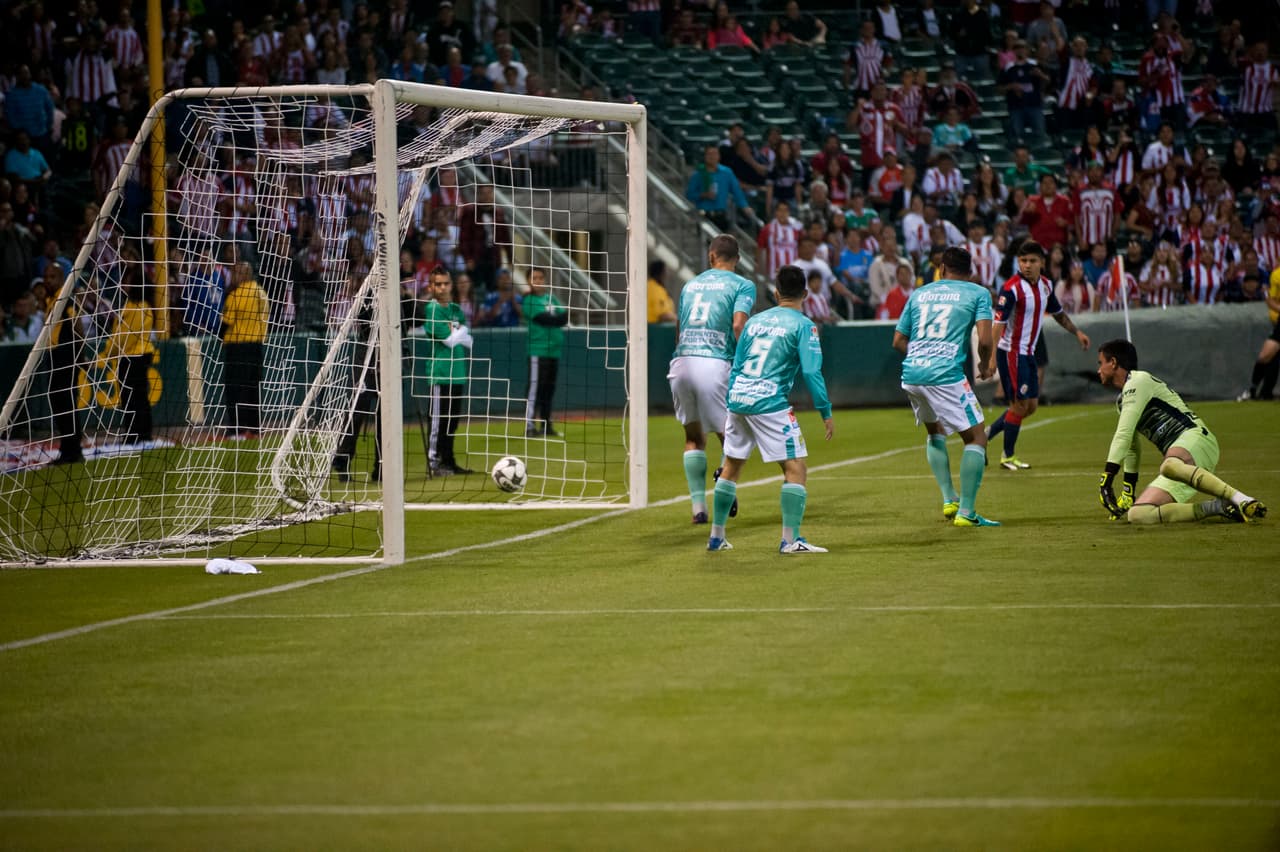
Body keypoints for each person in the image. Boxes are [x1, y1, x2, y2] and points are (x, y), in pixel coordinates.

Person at [708, 265, 834, 554]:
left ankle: (716, 537)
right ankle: (790, 541)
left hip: (738, 398)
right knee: (795, 467)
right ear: (805, 293)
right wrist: (825, 411)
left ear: (776, 293)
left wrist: (734, 398)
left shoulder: (754, 322)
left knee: (731, 466)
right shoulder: (804, 325)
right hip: (769, 402)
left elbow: (737, 364)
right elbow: (811, 372)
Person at [1096, 339, 1267, 524]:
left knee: (1168, 465)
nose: (1098, 370)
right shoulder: (1122, 400)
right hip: (1180, 465)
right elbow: (1131, 447)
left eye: (1100, 363)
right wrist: (1128, 492)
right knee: (1138, 515)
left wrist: (1106, 479)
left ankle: (1241, 499)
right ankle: (1220, 507)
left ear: (1113, 363)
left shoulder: (1138, 381)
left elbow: (1123, 434)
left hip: (1196, 439)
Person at [892, 246, 998, 525]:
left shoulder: (920, 293)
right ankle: (967, 512)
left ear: (941, 269)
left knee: (935, 430)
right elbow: (985, 340)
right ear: (971, 272)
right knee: (977, 438)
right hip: (945, 374)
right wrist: (985, 364)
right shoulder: (978, 293)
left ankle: (949, 498)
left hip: (912, 373)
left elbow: (898, 340)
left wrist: (922, 355)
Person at [668, 235, 756, 525]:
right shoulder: (742, 285)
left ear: (711, 256)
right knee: (734, 434)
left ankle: (698, 508)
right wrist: (747, 362)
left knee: (693, 437)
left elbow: (679, 326)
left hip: (682, 362)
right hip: (715, 362)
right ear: (738, 259)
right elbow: (738, 324)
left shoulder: (690, 284)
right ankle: (725, 483)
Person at [987, 240, 1091, 470]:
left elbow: (1058, 313)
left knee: (1031, 406)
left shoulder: (1045, 285)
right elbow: (998, 324)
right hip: (1012, 353)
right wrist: (992, 358)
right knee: (1019, 405)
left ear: (1042, 263)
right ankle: (1007, 456)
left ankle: (985, 436)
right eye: (1023, 260)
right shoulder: (1011, 289)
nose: (1027, 265)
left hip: (1029, 353)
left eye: (1032, 261)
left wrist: (1077, 332)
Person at [422, 266, 474, 477]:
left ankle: (449, 461)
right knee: (438, 421)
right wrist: (459, 332)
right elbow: (451, 340)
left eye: (446, 283)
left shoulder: (455, 309)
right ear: (431, 287)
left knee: (452, 422)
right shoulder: (432, 309)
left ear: (452, 285)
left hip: (458, 372)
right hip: (440, 373)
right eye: (438, 284)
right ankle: (434, 463)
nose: (443, 288)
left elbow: (468, 339)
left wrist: (459, 333)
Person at [220, 260, 268, 438]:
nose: (233, 276)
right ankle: (254, 428)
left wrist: (219, 336)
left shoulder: (236, 295)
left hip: (237, 347)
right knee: (253, 389)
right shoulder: (261, 293)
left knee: (235, 390)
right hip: (256, 347)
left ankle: (237, 429)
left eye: (236, 273)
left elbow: (226, 322)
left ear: (243, 275)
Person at [524, 267, 569, 437]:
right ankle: (529, 426)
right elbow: (544, 319)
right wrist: (555, 319)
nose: (538, 281)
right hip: (538, 350)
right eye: (534, 278)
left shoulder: (551, 298)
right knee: (535, 389)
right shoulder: (529, 300)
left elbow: (564, 317)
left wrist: (555, 319)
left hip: (554, 351)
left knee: (549, 390)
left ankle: (546, 425)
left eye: (541, 277)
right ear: (528, 281)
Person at [1240, 265, 1280, 400]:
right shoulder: (1276, 275)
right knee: (1265, 356)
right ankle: (1253, 390)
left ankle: (1261, 392)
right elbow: (1269, 299)